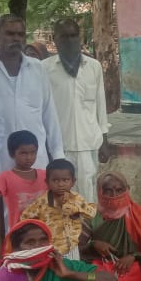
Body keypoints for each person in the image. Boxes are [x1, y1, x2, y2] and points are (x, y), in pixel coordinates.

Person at [0, 14, 63, 179]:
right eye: (10, 34)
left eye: (20, 34)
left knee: (36, 205)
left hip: (35, 165)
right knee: (0, 205)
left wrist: (58, 156)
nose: (16, 38)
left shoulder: (37, 69)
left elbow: (49, 115)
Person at [44, 18, 110, 201]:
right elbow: (42, 110)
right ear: (55, 39)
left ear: (80, 38)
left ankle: (87, 230)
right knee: (61, 198)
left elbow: (100, 104)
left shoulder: (93, 67)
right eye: (64, 36)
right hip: (59, 145)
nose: (69, 40)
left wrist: (104, 138)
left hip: (88, 143)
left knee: (88, 195)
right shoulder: (45, 69)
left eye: (73, 36)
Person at [21, 158, 96, 260]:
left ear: (73, 182)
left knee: (73, 272)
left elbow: (91, 213)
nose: (60, 184)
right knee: (54, 273)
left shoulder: (76, 198)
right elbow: (24, 218)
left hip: (72, 247)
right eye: (55, 180)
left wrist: (77, 209)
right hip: (51, 249)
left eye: (65, 180)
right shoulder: (41, 202)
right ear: (47, 182)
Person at [0, 130, 47, 229]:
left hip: (44, 229)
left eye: (33, 152)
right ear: (12, 154)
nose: (29, 157)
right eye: (23, 153)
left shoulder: (45, 175)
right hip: (19, 232)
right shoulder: (5, 177)